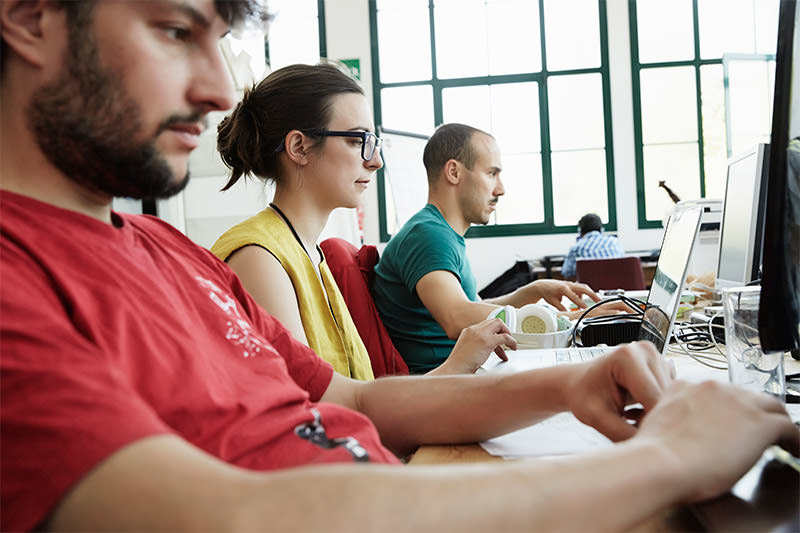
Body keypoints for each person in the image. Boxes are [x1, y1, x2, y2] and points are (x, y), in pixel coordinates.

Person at [1, 1, 797, 532]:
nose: (217, 89)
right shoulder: (18, 274)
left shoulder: (168, 252)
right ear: (31, 17)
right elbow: (231, 515)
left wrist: (565, 384)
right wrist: (668, 459)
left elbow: (347, 397)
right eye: (176, 28)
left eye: (221, 42)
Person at [210, 63, 508, 379]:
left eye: (373, 142)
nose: (376, 161)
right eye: (357, 141)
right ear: (299, 147)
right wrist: (455, 365)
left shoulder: (311, 254)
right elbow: (318, 407)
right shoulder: (259, 258)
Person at [372, 124, 602, 373]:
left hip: (467, 376)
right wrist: (570, 320)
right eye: (492, 173)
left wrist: (532, 291)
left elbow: (474, 307)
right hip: (444, 387)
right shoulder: (428, 235)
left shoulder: (440, 233)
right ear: (454, 172)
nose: (500, 189)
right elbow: (457, 317)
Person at [560, 213, 626, 279]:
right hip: (618, 288)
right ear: (602, 229)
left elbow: (567, 272)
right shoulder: (615, 242)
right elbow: (625, 266)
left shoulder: (577, 248)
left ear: (580, 231)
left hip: (590, 289)